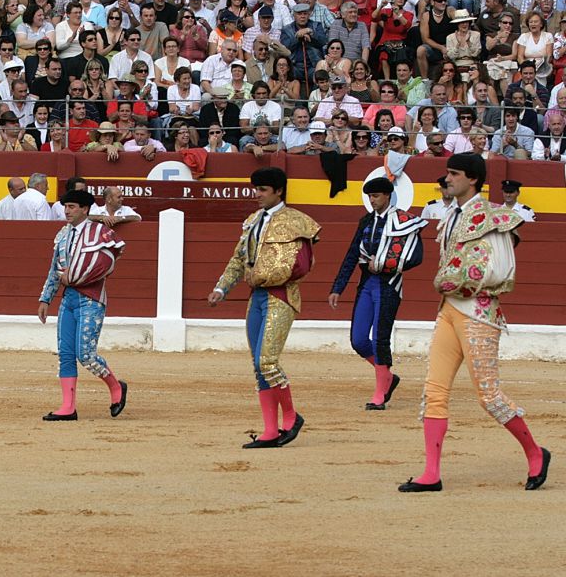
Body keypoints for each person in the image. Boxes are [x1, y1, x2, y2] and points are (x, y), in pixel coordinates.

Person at [400, 153, 551, 493]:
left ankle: (535, 452)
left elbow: (498, 270)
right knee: (434, 391)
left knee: (489, 396)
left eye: (453, 174)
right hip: (448, 311)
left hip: (478, 312)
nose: (447, 179)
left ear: (472, 179)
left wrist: (456, 282)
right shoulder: (451, 215)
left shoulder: (494, 217)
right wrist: (450, 286)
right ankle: (431, 474)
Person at [207, 168, 320, 448]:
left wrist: (265, 277)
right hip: (256, 298)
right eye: (256, 189)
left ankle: (291, 418)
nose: (256, 195)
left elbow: (301, 265)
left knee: (267, 361)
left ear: (278, 191)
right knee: (258, 366)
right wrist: (222, 288)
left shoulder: (296, 222)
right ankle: (270, 431)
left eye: (263, 190)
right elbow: (238, 258)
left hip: (281, 296)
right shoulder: (252, 221)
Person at [328, 177, 428, 409]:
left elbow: (415, 257)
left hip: (388, 284)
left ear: (387, 196)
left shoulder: (404, 221)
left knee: (381, 338)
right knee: (359, 339)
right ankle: (388, 379)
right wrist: (337, 287)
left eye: (376, 196)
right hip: (367, 283)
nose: (372, 200)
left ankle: (379, 395)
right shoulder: (366, 221)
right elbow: (352, 254)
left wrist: (385, 263)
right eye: (370, 197)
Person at [37, 188, 128, 422]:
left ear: (85, 210)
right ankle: (68, 407)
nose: (67, 211)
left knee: (86, 355)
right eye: (65, 207)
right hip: (68, 300)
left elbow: (105, 264)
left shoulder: (100, 232)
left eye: (72, 207)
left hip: (91, 300)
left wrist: (77, 277)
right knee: (66, 354)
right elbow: (53, 268)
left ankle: (116, 387)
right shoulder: (63, 235)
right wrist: (46, 298)